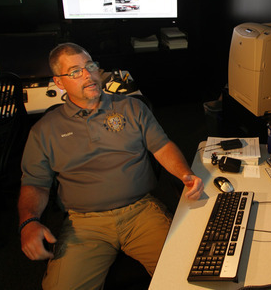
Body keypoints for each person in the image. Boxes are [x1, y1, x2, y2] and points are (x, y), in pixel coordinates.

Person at [18, 42, 204, 289]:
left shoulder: (131, 107)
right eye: (75, 71)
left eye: (90, 66)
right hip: (84, 224)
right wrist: (28, 221)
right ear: (59, 82)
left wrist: (185, 174)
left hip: (141, 211)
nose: (87, 75)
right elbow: (35, 183)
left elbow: (162, 146)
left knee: (192, 275)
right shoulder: (44, 130)